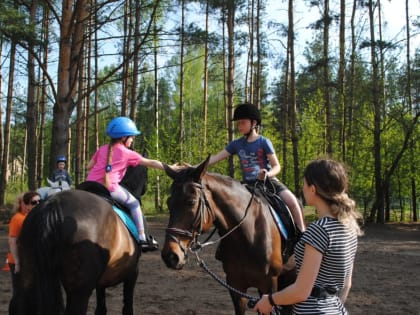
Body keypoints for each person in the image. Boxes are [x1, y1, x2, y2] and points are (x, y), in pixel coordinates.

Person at [253, 159, 363, 315]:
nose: (302, 188)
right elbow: (346, 284)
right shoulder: (350, 228)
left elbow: (301, 291)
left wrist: (270, 300)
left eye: (304, 184)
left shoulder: (319, 230)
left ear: (312, 189)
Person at [208, 103, 306, 233]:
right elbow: (214, 158)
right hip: (247, 186)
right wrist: (192, 167)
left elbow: (277, 166)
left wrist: (267, 174)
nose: (239, 126)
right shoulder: (236, 144)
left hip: (268, 182)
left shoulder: (264, 142)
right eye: (238, 123)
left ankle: (302, 234)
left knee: (293, 202)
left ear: (253, 123)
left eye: (242, 123)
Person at [86, 116, 164, 249]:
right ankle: (142, 239)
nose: (132, 140)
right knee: (134, 204)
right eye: (131, 137)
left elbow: (89, 166)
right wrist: (171, 167)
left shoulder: (102, 148)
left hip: (88, 186)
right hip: (109, 188)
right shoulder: (127, 153)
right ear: (123, 138)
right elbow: (150, 163)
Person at [7, 191, 41, 314]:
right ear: (25, 205)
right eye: (33, 202)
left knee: (30, 291)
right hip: (19, 261)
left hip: (29, 261)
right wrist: (17, 262)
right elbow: (12, 241)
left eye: (39, 202)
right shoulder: (18, 218)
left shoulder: (33, 218)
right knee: (20, 292)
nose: (37, 204)